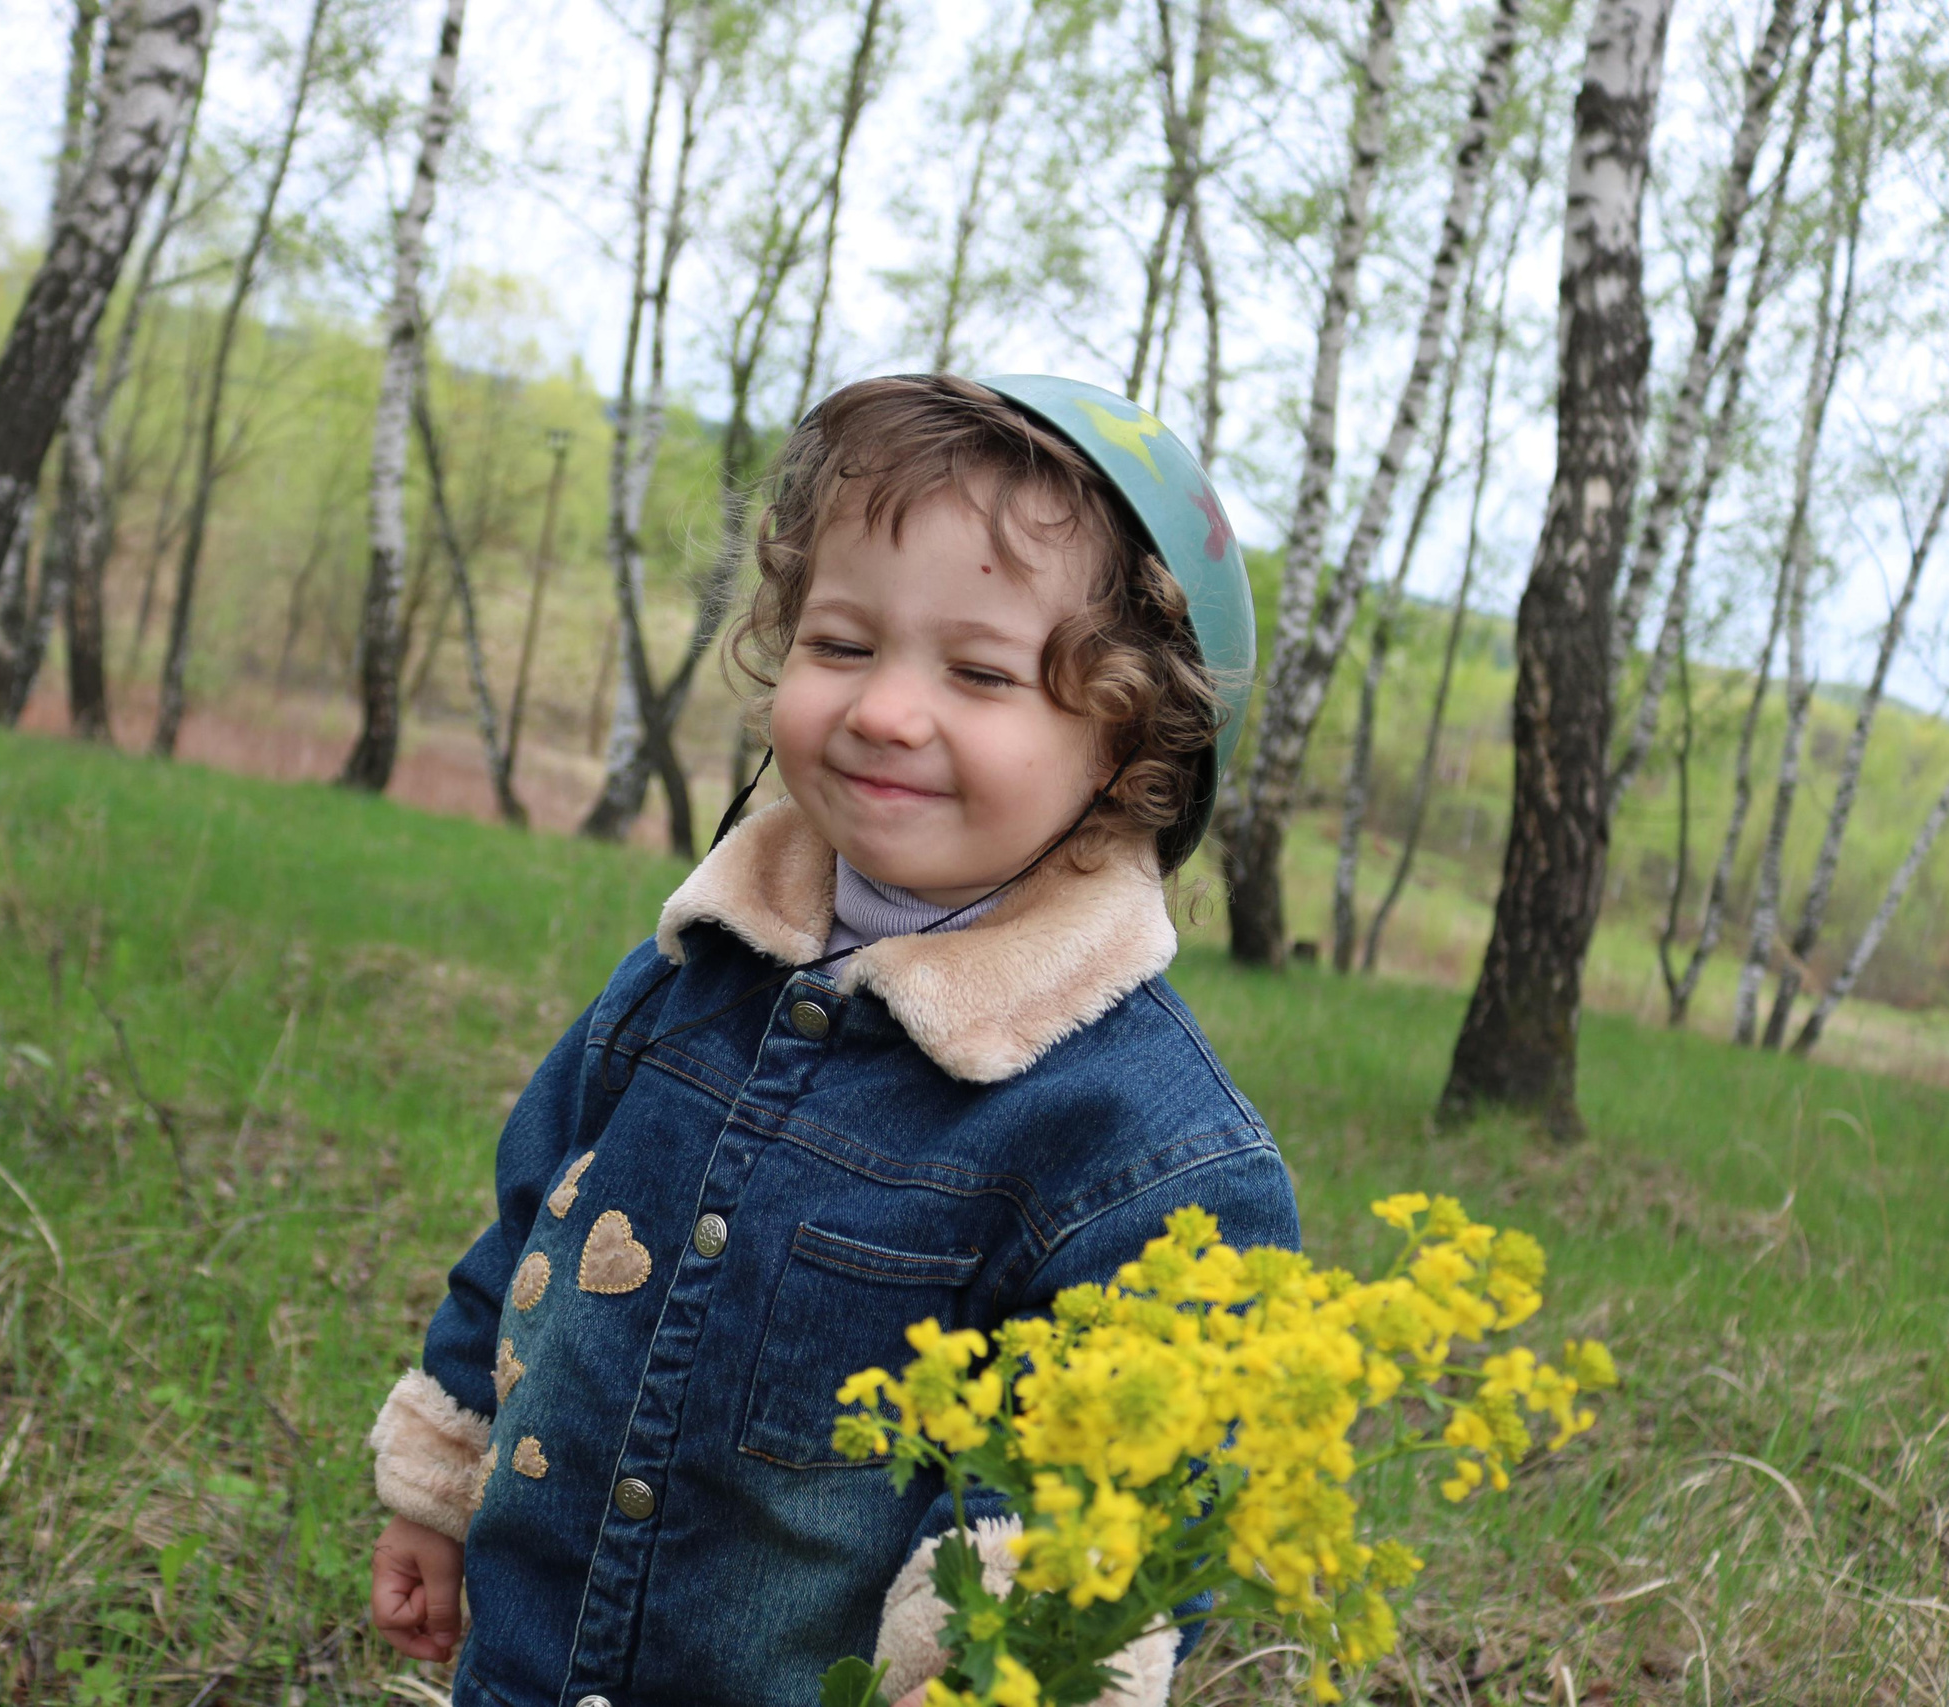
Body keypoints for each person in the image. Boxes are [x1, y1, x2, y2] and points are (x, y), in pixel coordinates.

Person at [366, 373, 1299, 1707]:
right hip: (530, 1666)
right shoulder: (686, 974)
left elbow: (1109, 1519)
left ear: (1127, 745)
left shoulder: (1141, 1147)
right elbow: (527, 1234)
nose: (883, 712)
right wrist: (442, 1491)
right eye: (844, 645)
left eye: (979, 672)